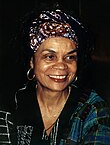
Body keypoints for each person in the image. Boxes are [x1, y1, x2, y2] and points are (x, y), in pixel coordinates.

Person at [9, 8, 110, 144]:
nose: (61, 66)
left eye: (70, 57)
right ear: (32, 62)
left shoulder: (93, 110)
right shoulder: (12, 105)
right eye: (50, 56)